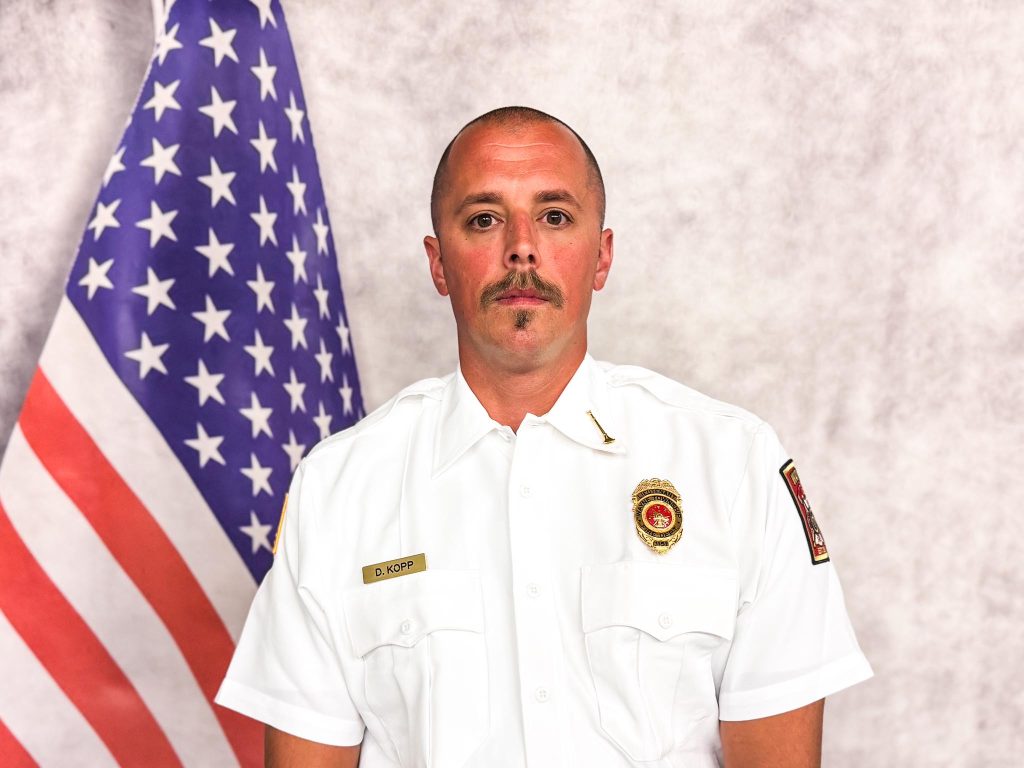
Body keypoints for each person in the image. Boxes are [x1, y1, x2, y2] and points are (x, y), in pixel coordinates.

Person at [215, 106, 872, 767]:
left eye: (555, 216)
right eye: (484, 219)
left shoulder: (732, 465)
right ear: (439, 264)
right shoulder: (341, 487)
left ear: (602, 256)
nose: (521, 247)